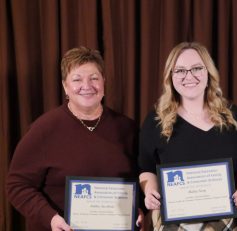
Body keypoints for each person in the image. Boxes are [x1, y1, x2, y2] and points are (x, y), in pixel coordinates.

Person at [6, 46, 143, 231]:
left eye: (94, 78)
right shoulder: (44, 129)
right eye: (77, 79)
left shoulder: (127, 128)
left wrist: (139, 209)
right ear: (65, 86)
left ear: (104, 81)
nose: (86, 86)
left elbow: (141, 178)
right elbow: (17, 185)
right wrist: (51, 218)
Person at [138, 42, 237, 230]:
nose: (189, 76)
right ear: (170, 76)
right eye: (180, 71)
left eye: (197, 68)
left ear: (208, 72)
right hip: (174, 224)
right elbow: (146, 167)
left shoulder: (234, 117)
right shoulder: (156, 120)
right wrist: (150, 191)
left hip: (226, 223)